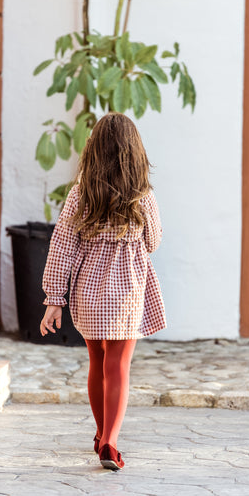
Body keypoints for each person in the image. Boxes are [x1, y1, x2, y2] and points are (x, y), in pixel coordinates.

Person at [40, 112, 166, 471]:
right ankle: (110, 442)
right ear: (134, 153)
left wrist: (54, 299)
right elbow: (154, 241)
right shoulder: (142, 196)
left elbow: (62, 246)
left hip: (88, 291)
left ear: (93, 150)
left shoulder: (81, 194)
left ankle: (100, 433)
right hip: (126, 292)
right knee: (119, 365)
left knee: (97, 361)